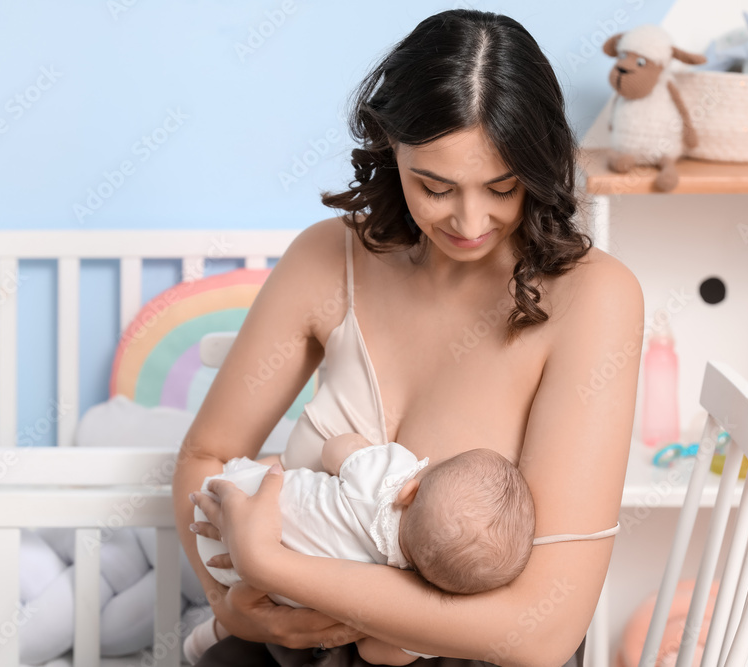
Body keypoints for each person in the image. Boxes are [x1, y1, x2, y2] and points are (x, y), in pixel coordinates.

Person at [173, 8, 644, 666]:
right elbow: (208, 453)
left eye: (503, 187)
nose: (471, 220)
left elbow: (542, 631)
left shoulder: (593, 298)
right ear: (391, 145)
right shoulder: (326, 263)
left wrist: (273, 566)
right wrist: (230, 603)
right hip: (293, 640)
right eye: (436, 185)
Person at [184, 433, 536, 665]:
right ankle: (210, 633)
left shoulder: (387, 477)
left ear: (409, 491)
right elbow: (375, 651)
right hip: (244, 578)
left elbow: (334, 450)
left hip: (229, 502)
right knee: (283, 602)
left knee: (280, 477)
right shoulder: (404, 598)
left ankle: (211, 630)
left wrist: (358, 446)